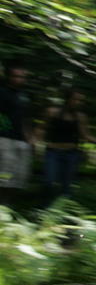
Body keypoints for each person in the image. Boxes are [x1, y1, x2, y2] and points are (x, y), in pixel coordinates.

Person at [40, 88, 96, 199]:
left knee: (67, 185)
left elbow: (86, 135)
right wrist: (36, 141)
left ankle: (63, 207)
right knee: (49, 181)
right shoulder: (52, 112)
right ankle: (46, 206)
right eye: (75, 99)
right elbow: (42, 128)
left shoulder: (80, 117)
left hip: (71, 154)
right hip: (53, 152)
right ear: (67, 99)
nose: (78, 102)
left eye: (81, 100)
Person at [0, 64, 34, 200]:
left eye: (22, 77)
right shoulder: (2, 93)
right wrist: (4, 130)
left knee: (19, 177)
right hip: (5, 139)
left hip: (22, 141)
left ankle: (8, 205)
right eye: (16, 76)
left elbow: (26, 118)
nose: (19, 79)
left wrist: (30, 138)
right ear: (9, 77)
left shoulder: (24, 96)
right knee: (4, 175)